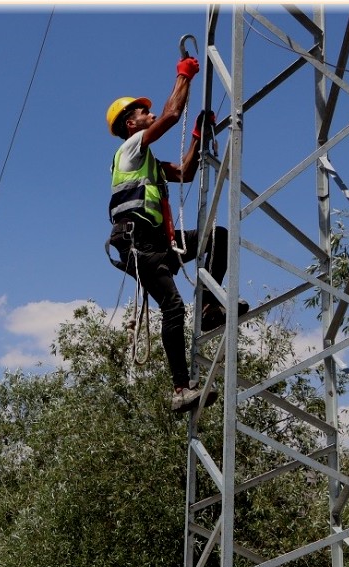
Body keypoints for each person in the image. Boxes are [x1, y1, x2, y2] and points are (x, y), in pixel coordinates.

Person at [105, 50, 248, 413]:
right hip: (140, 246)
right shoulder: (129, 151)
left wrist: (199, 135)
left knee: (216, 236)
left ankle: (209, 305)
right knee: (171, 307)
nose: (148, 113)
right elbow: (171, 114)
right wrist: (183, 76)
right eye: (141, 111)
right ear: (130, 124)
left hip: (160, 243)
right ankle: (180, 389)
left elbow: (185, 172)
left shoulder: (147, 161)